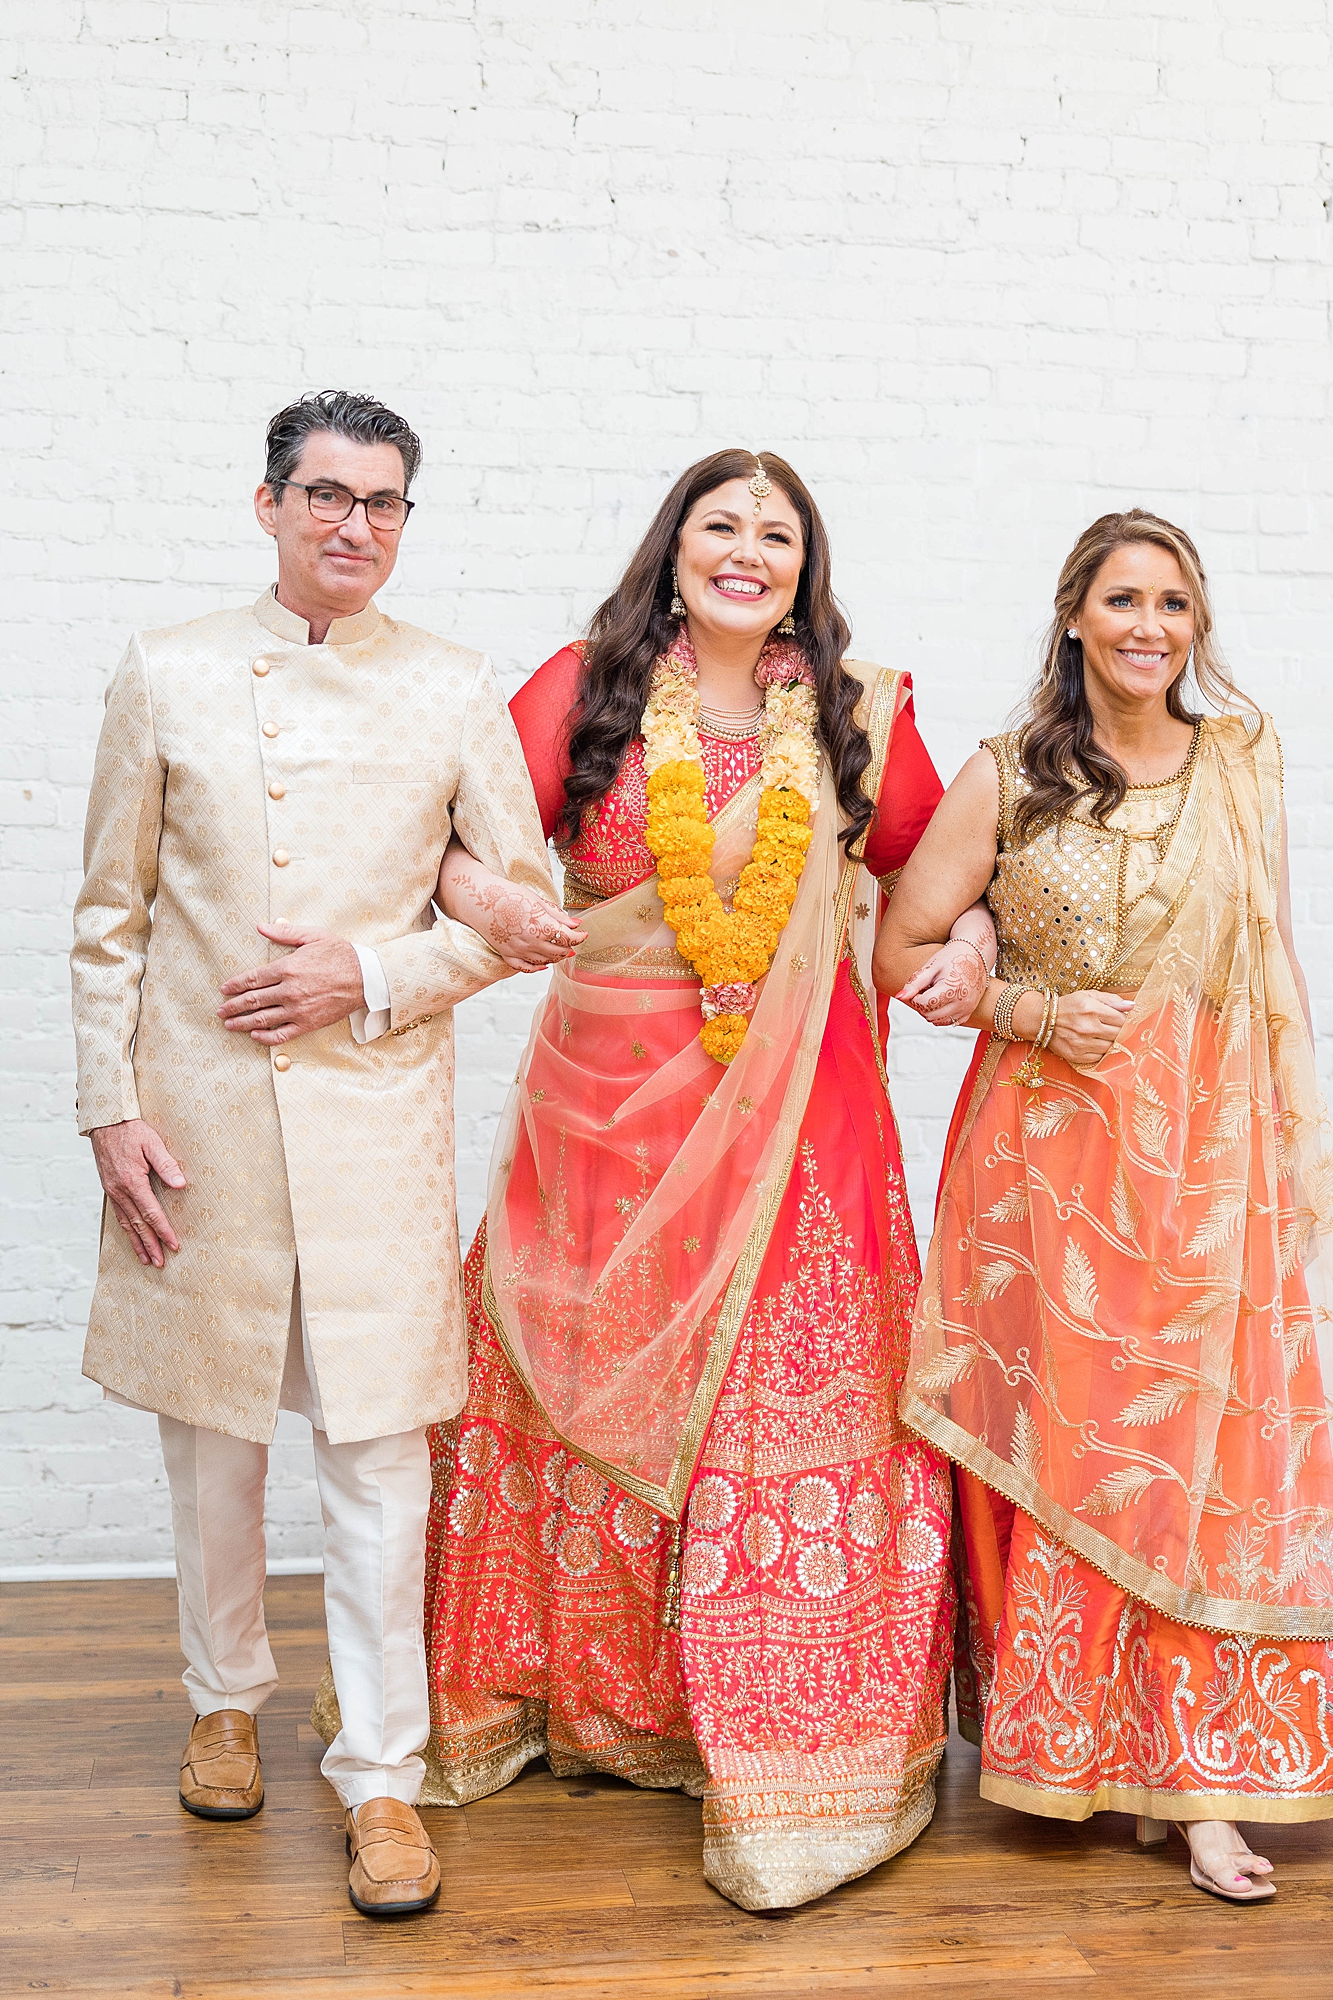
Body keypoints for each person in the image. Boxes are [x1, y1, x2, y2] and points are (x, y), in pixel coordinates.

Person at [314, 448, 997, 1910]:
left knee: (771, 1398)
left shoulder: (860, 712)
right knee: (573, 1383)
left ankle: (771, 1742)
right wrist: (488, 898)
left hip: (804, 1116)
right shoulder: (584, 687)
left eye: (776, 533)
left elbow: (945, 872)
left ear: (804, 567)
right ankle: (584, 1702)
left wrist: (980, 949)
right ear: (671, 549)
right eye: (719, 526)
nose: (747, 551)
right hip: (599, 1120)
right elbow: (442, 844)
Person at [71, 390, 569, 1916]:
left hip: (374, 1123)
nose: (357, 525)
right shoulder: (167, 672)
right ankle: (223, 1702)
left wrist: (369, 969)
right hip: (201, 1121)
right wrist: (111, 1106)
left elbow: (522, 912)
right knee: (212, 1447)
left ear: (406, 521)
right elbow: (112, 916)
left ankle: (384, 1778)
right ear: (270, 504)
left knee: (376, 1460)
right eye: (329, 496)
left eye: (386, 503)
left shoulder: (452, 688)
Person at [878, 509, 1333, 1903]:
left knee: (1198, 1455)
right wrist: (1018, 1002)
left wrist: (1270, 1161)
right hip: (1048, 1157)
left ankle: (1192, 1779)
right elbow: (897, 942)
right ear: (1073, 612)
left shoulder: (1240, 761)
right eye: (1123, 600)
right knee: (1087, 1452)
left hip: (1203, 1148)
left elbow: (1263, 970)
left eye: (1174, 605)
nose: (1149, 627)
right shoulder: (1007, 773)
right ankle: (1073, 1747)